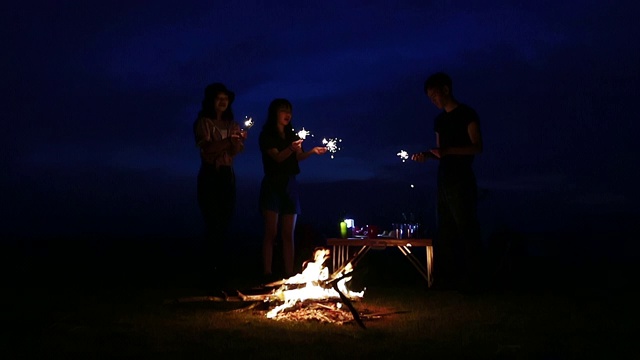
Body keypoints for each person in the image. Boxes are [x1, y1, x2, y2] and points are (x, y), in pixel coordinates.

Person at [411, 72, 483, 292]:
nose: (434, 100)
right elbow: (440, 152)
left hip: (462, 178)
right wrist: (426, 155)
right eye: (430, 97)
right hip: (444, 179)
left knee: (466, 227)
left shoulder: (467, 114)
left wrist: (449, 150)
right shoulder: (440, 120)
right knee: (446, 230)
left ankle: (476, 279)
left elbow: (477, 147)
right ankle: (449, 280)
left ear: (446, 89)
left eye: (435, 95)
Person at [258, 98, 327, 282]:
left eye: (289, 110)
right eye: (283, 110)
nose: (287, 114)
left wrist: (311, 151)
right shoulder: (267, 135)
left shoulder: (292, 135)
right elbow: (278, 158)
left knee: (288, 233)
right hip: (273, 183)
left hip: (290, 183)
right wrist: (290, 148)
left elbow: (297, 157)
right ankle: (267, 273)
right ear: (275, 113)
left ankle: (288, 274)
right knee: (271, 232)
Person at [193, 82, 246, 289]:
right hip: (210, 175)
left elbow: (235, 151)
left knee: (224, 223)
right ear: (211, 101)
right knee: (212, 223)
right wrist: (229, 142)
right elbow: (207, 149)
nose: (223, 102)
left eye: (226, 99)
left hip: (226, 175)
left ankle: (221, 275)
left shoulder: (232, 124)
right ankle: (209, 275)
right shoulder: (203, 123)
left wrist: (238, 142)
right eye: (219, 98)